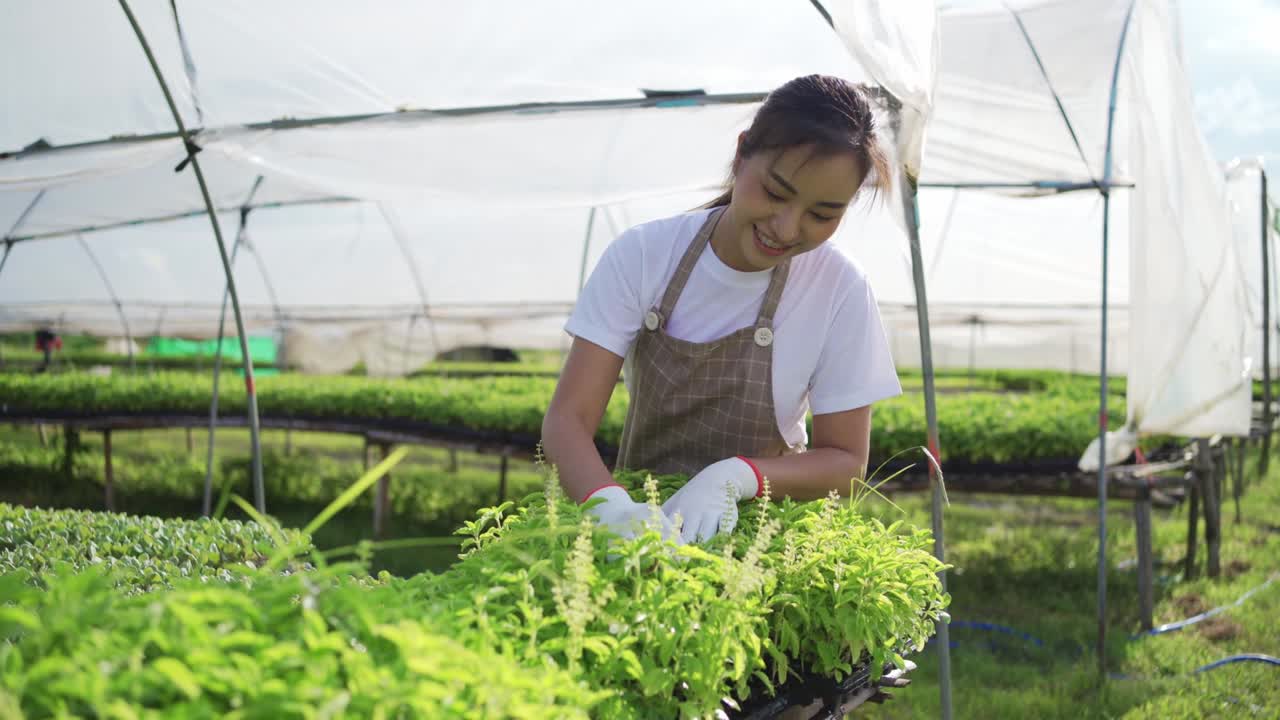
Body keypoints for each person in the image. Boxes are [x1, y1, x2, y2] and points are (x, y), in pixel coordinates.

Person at [541, 75, 902, 545]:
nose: (787, 228)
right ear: (741, 154)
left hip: (764, 533)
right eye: (775, 193)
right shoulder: (645, 256)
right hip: (642, 513)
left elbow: (846, 461)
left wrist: (738, 477)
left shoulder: (839, 288)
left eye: (822, 214)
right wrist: (611, 508)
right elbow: (567, 420)